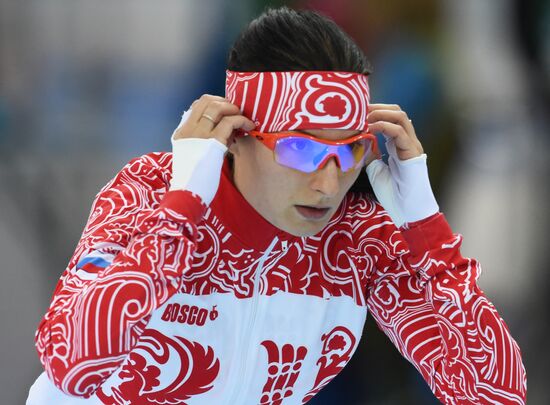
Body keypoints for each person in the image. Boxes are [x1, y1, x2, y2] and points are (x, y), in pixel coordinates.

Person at [27, 7, 526, 405]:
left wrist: (427, 230)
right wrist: (179, 215)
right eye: (302, 148)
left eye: (349, 150)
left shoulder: (355, 239)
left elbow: (492, 393)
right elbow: (72, 362)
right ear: (237, 135)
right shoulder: (150, 191)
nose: (329, 185)